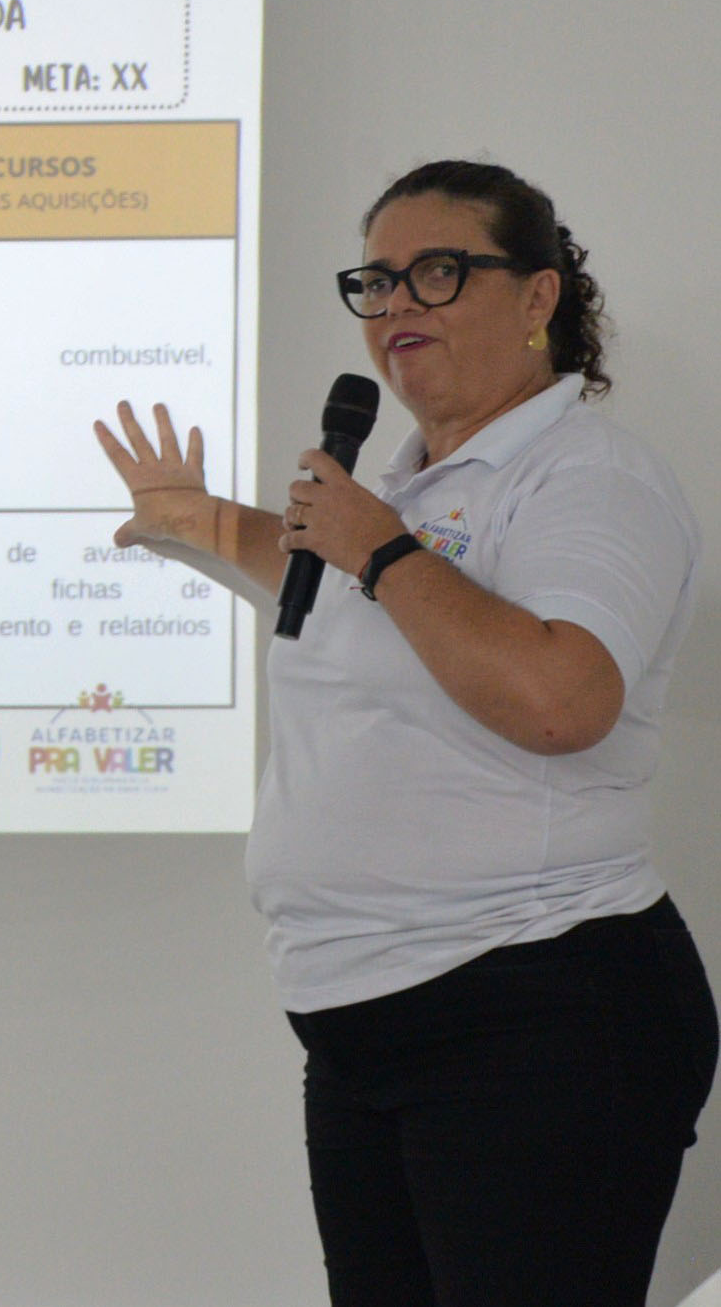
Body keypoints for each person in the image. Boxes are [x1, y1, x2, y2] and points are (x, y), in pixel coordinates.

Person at [92, 159, 717, 1305]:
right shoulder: (416, 490)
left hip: (536, 1011)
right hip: (364, 1023)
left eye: (437, 273)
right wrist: (201, 521)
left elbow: (560, 698)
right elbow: (348, 594)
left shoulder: (589, 478)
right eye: (376, 282)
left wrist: (381, 549)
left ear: (538, 297)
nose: (395, 307)